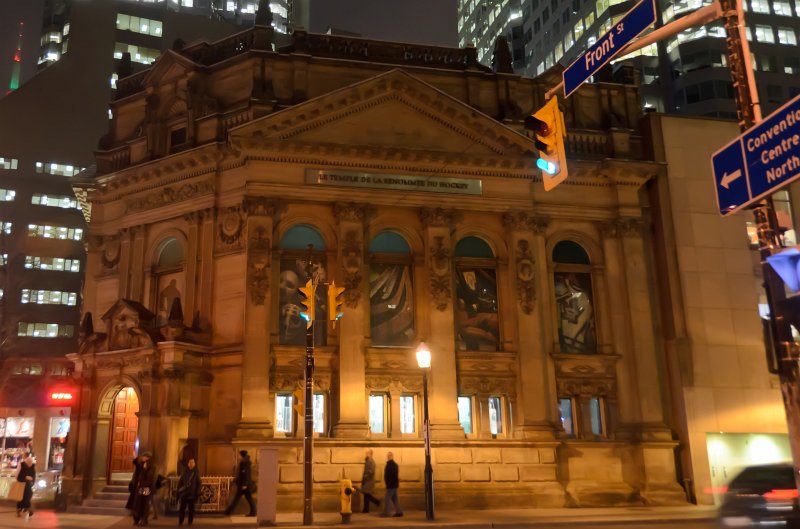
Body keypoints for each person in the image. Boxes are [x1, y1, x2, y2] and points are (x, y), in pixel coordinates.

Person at [224, 450, 255, 517]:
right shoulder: (245, 462)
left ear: (242, 455)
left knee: (238, 499)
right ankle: (228, 512)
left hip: (244, 485)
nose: (238, 456)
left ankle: (228, 512)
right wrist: (236, 480)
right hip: (244, 484)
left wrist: (244, 484)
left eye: (239, 455)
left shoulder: (244, 463)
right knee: (246, 499)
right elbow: (243, 474)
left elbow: (245, 474)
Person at [132, 451, 156, 526]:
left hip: (146, 487)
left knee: (144, 503)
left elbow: (150, 477)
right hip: (140, 487)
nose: (142, 458)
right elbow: (138, 466)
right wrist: (135, 458)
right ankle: (137, 519)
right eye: (142, 456)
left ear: (148, 458)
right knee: (138, 503)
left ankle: (144, 519)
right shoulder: (142, 464)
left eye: (144, 456)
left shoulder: (151, 466)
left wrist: (145, 470)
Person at [177, 458, 201, 526]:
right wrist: (179, 490)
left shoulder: (196, 472)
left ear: (194, 464)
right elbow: (181, 481)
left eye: (192, 462)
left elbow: (199, 483)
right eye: (190, 462)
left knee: (191, 509)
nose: (191, 464)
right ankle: (180, 521)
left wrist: (197, 492)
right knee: (182, 508)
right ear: (188, 464)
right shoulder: (185, 471)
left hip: (192, 494)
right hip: (184, 493)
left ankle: (190, 521)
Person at [381, 452, 402, 517]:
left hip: (391, 485)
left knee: (387, 499)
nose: (388, 456)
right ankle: (399, 512)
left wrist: (388, 484)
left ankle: (386, 513)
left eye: (390, 455)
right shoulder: (392, 464)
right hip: (393, 485)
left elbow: (392, 476)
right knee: (395, 499)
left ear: (392, 456)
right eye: (388, 455)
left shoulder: (392, 465)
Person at [360, 449, 380, 513]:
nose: (366, 454)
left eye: (367, 453)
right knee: (367, 495)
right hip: (368, 481)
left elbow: (371, 471)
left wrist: (366, 476)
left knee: (367, 495)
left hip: (368, 481)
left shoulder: (370, 461)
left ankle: (377, 502)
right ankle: (366, 509)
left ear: (370, 454)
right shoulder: (369, 460)